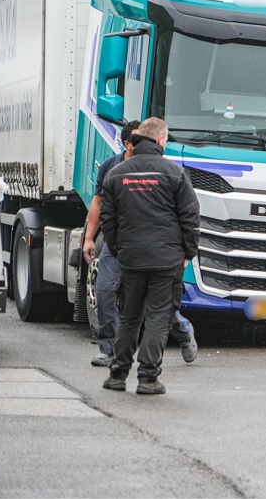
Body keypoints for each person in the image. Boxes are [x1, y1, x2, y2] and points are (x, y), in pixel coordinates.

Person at [83, 121, 198, 368]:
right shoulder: (112, 168)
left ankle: (182, 331)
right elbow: (101, 207)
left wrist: (186, 252)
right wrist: (94, 240)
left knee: (157, 309)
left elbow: (188, 215)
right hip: (122, 248)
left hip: (157, 252)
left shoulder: (171, 172)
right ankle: (109, 351)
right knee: (106, 293)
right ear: (127, 144)